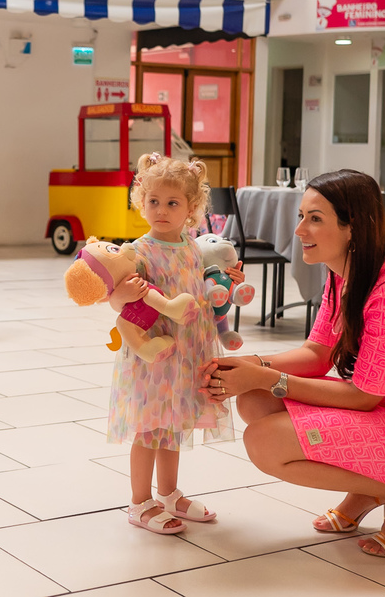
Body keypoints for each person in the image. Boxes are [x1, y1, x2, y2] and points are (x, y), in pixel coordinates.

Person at [200, 169, 385, 558]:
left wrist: (266, 376)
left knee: (264, 442)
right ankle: (370, 488)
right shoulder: (346, 272)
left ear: (355, 227)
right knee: (254, 400)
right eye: (301, 216)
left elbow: (364, 396)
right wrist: (248, 365)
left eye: (315, 219)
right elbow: (317, 354)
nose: (300, 231)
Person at [108, 152, 242, 535]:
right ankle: (138, 502)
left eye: (172, 203)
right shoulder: (137, 250)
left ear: (191, 208)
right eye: (154, 202)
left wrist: (226, 281)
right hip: (154, 352)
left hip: (187, 351)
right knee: (150, 427)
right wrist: (124, 293)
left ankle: (167, 493)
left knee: (175, 424)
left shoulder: (193, 246)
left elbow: (207, 285)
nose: (161, 210)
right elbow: (115, 300)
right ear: (141, 202)